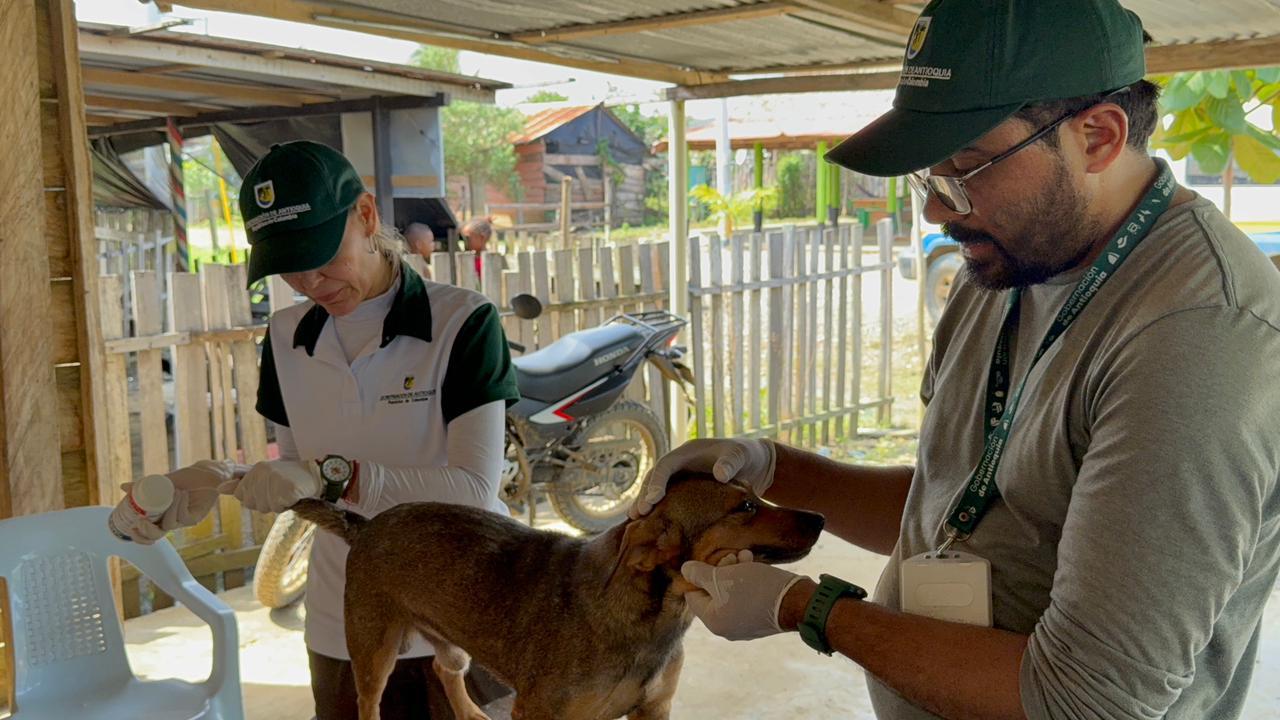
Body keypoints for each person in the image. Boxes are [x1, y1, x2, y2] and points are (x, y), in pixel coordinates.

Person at [632, 2, 1280, 719]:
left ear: (1097, 135)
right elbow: (955, 507)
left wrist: (811, 610)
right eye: (929, 177)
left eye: (968, 168)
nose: (940, 210)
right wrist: (777, 468)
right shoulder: (1007, 266)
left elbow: (1090, 699)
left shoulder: (1198, 336)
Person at [221, 140, 519, 718]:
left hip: (467, 605)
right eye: (289, 265)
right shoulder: (284, 340)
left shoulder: (462, 322)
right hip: (343, 615)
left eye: (322, 254)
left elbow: (471, 492)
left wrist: (337, 477)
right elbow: (298, 474)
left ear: (365, 215)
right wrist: (225, 482)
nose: (310, 281)